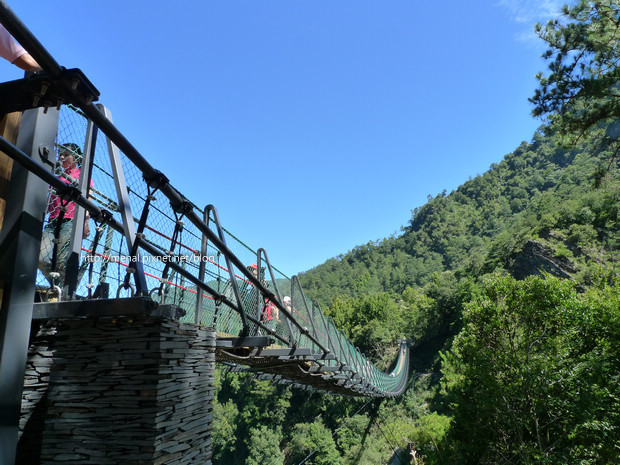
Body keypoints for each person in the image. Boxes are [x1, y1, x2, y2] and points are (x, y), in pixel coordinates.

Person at [38, 143, 91, 290]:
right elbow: (48, 201)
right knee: (41, 257)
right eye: (60, 153)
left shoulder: (81, 176)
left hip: (70, 221)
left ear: (76, 158)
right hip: (52, 221)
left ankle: (62, 290)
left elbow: (88, 200)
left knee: (62, 261)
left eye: (66, 154)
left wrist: (86, 222)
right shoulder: (56, 176)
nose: (61, 156)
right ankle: (59, 285)